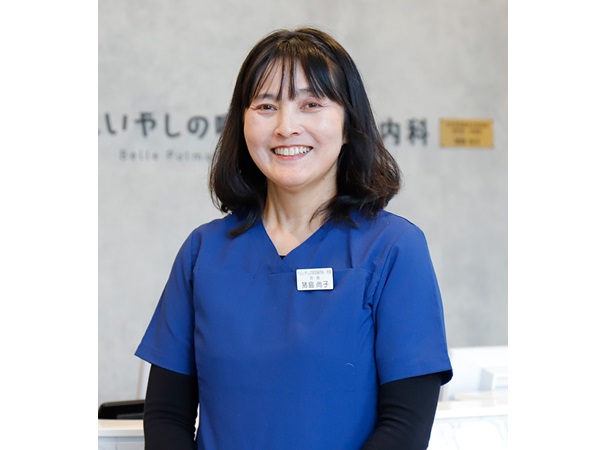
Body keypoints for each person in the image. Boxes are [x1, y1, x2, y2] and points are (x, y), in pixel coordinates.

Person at [135, 27, 452, 450]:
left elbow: (404, 429)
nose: (286, 127)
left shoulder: (393, 248)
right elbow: (166, 417)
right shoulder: (203, 251)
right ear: (242, 123)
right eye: (266, 106)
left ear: (348, 125)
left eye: (311, 104)